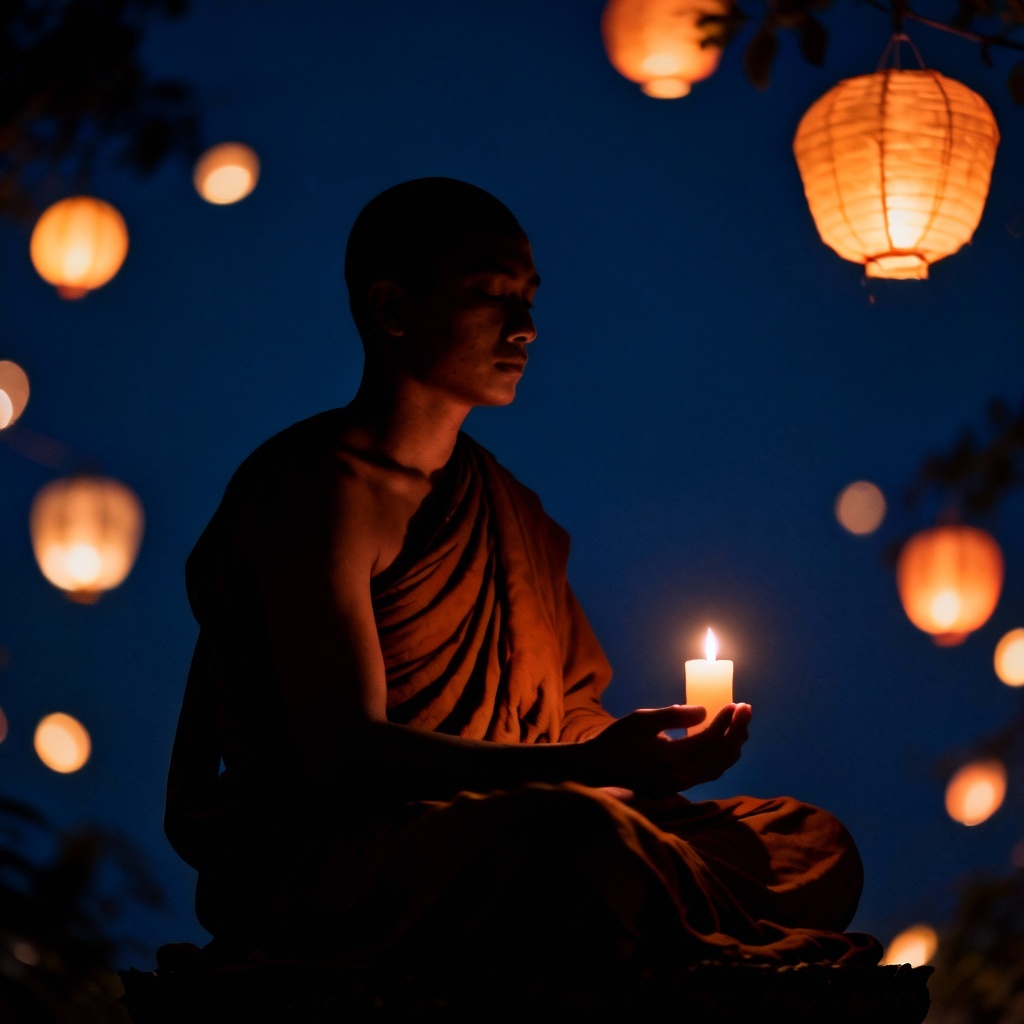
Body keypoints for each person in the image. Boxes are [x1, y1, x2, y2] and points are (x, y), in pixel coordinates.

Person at [164, 177, 882, 988]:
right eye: (492, 296)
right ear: (393, 309)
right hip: (355, 846)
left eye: (530, 298)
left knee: (810, 841)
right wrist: (587, 772)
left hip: (520, 817)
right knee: (572, 835)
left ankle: (631, 883)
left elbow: (564, 710)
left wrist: (641, 761)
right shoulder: (316, 489)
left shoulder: (508, 509)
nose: (527, 329)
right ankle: (630, 891)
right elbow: (345, 756)